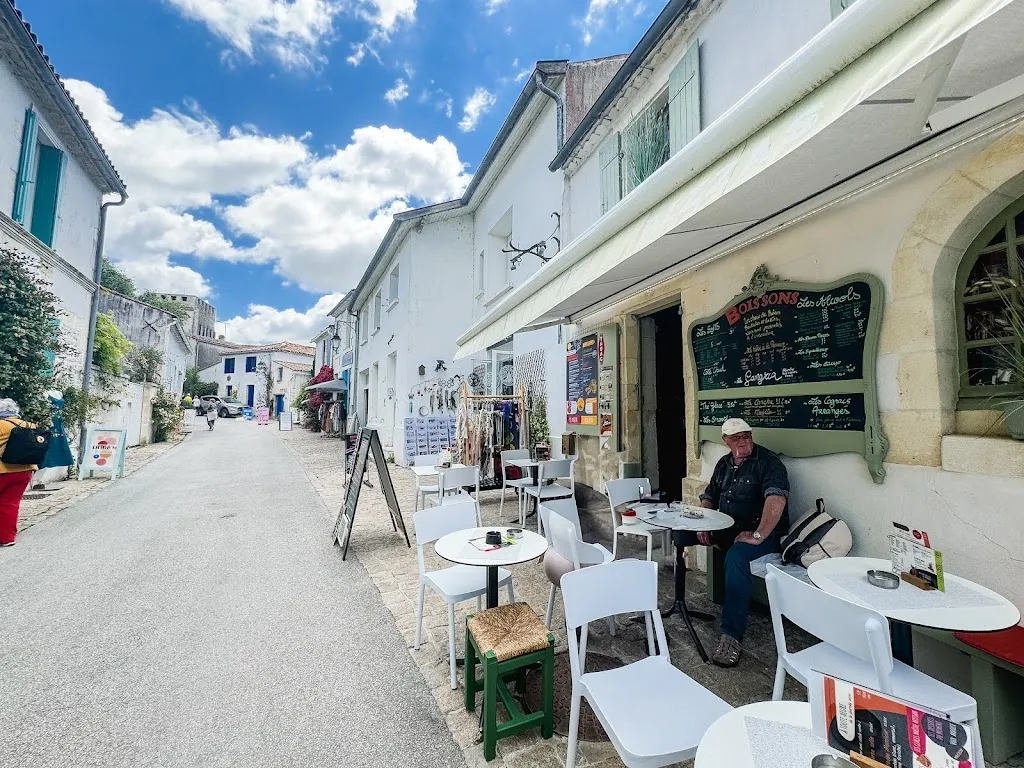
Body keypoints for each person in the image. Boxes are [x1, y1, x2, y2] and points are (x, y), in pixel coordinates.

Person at [674, 417, 790, 667]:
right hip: (727, 527)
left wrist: (758, 535)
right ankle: (676, 603)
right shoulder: (724, 464)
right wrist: (704, 521)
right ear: (725, 441)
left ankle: (731, 636)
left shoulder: (769, 462)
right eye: (736, 438)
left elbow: (776, 500)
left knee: (737, 557)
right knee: (680, 534)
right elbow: (710, 495)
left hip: (764, 535)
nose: (743, 441)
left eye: (746, 435)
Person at [0, 399, 38, 547]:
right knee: (10, 503)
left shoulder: (1, 425)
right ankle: (7, 538)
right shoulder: (29, 425)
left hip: (2, 470)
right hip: (24, 470)